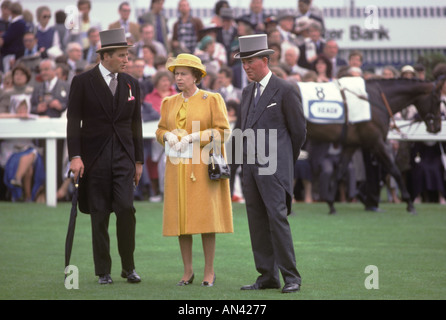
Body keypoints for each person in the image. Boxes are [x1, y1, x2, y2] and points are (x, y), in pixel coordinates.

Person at [67, 28, 144, 285]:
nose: (126, 60)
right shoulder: (82, 82)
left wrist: (139, 161)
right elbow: (72, 122)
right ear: (105, 56)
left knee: (126, 208)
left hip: (124, 157)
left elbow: (136, 124)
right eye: (121, 55)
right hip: (94, 158)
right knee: (99, 213)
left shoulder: (132, 83)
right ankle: (104, 271)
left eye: (127, 55)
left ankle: (129, 267)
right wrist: (75, 156)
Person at [234, 34, 305, 293]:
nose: (245, 66)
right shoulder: (246, 91)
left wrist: (283, 160)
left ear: (265, 60)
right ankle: (267, 276)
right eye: (243, 62)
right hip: (251, 169)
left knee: (277, 219)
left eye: (249, 61)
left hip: (274, 167)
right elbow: (242, 130)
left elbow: (298, 133)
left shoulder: (286, 89)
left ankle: (292, 277)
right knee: (256, 221)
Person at [155, 53, 233, 287]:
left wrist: (195, 137)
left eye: (183, 74)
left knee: (206, 220)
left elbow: (223, 132)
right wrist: (166, 135)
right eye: (176, 73)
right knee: (181, 220)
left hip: (202, 167)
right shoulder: (168, 102)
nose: (178, 78)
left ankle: (209, 271)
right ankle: (187, 271)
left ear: (196, 77)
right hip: (177, 168)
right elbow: (159, 131)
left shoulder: (212, 99)